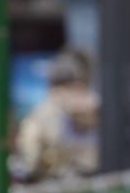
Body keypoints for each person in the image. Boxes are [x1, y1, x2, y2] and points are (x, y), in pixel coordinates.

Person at [11, 49, 101, 182]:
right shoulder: (45, 113)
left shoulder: (97, 106)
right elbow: (29, 160)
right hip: (60, 183)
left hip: (90, 180)